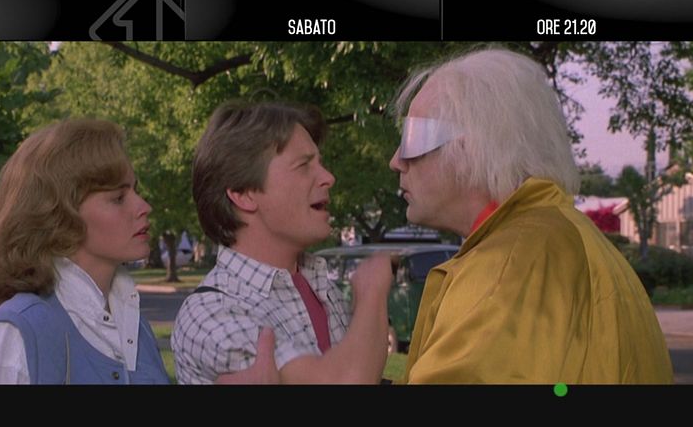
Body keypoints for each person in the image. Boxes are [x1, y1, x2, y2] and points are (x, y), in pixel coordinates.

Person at [388, 48, 674, 384]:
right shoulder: (564, 238)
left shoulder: (507, 265)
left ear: (474, 147)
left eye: (412, 138)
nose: (396, 161)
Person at [0, 118, 271, 384]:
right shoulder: (18, 335)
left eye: (136, 190)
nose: (143, 207)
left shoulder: (135, 328)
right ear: (58, 215)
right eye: (118, 198)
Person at [172, 101, 393, 384]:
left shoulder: (322, 288)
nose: (328, 177)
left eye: (320, 163)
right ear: (244, 194)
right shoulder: (212, 313)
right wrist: (372, 294)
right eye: (303, 166)